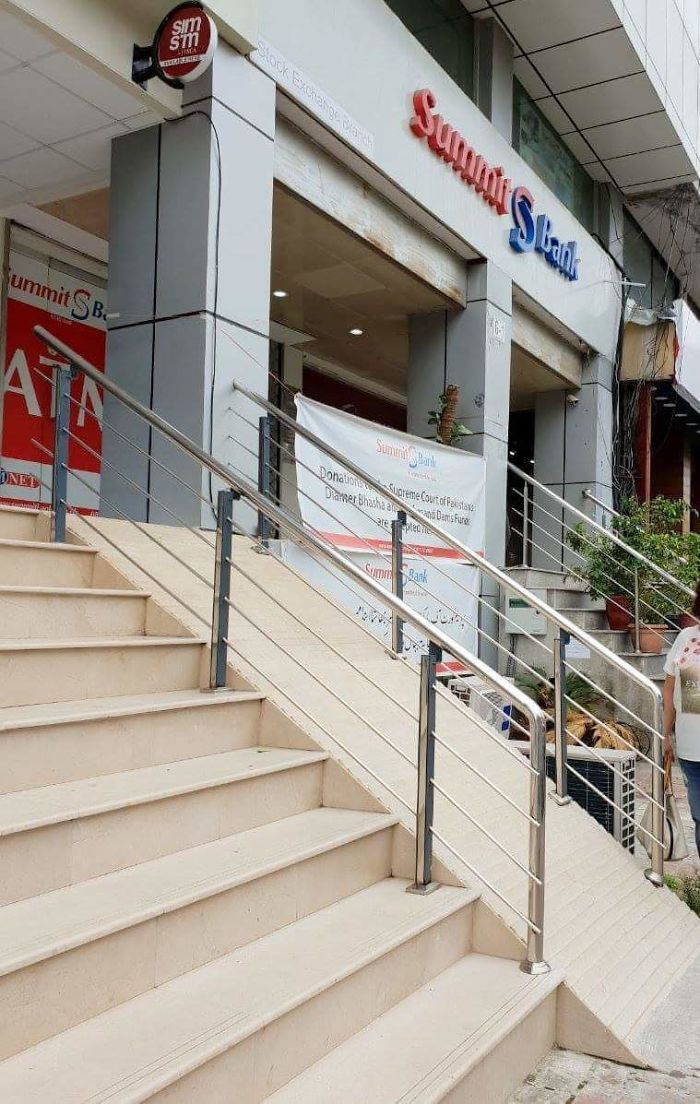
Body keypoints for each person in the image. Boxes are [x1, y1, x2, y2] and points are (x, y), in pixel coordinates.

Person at [663, 585, 700, 856]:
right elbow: (669, 688)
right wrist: (664, 733)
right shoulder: (688, 637)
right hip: (692, 751)